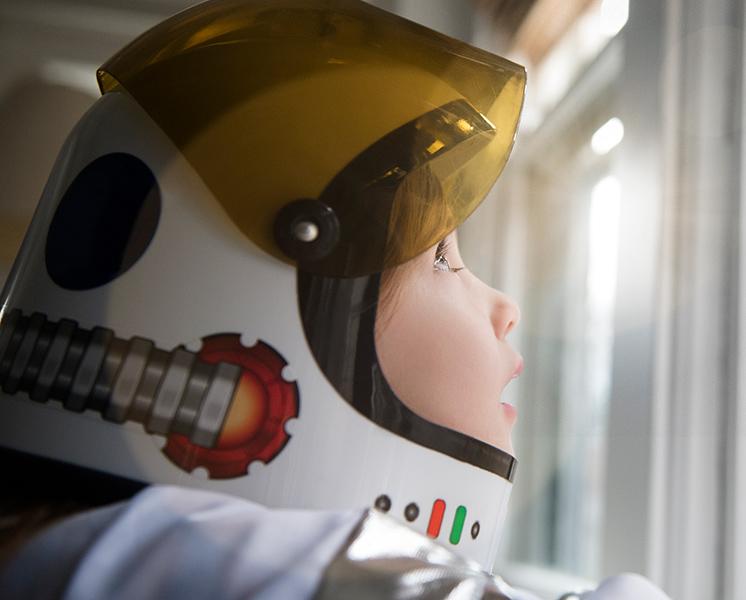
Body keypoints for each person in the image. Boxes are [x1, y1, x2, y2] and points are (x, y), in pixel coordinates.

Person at [0, 1, 671, 598]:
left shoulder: (74, 541)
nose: (504, 306)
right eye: (443, 258)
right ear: (261, 323)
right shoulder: (215, 557)